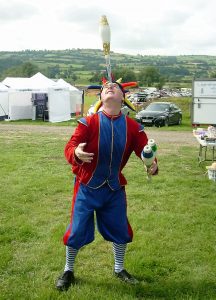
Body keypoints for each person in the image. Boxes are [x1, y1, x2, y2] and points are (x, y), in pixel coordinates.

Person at [56, 81, 158, 291]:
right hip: (86, 187)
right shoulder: (88, 123)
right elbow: (70, 146)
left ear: (123, 97)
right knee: (76, 230)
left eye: (115, 87)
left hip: (114, 189)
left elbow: (145, 152)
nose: (110, 88)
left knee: (120, 229)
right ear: (101, 96)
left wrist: (152, 164)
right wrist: (75, 153)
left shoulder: (133, 127)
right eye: (105, 88)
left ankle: (119, 268)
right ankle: (68, 270)